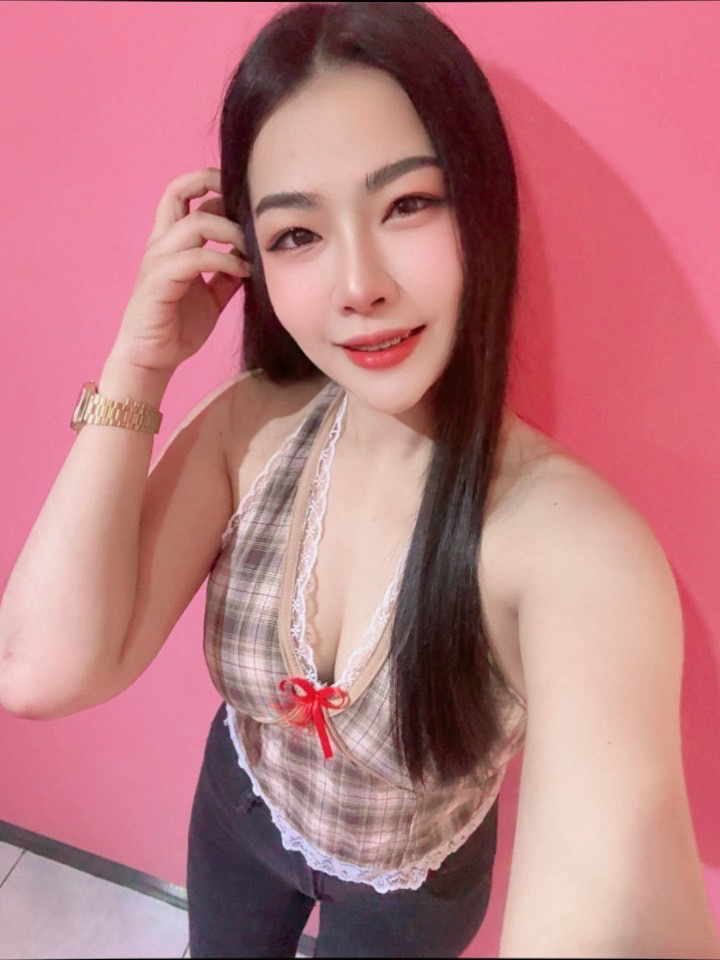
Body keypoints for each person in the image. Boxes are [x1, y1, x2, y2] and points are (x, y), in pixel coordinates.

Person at [1, 2, 719, 958]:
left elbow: (615, 896)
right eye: (298, 235)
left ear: (480, 204)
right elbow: (38, 671)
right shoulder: (254, 428)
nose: (358, 285)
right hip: (242, 815)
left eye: (408, 204)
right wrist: (139, 363)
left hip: (409, 894)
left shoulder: (565, 545)